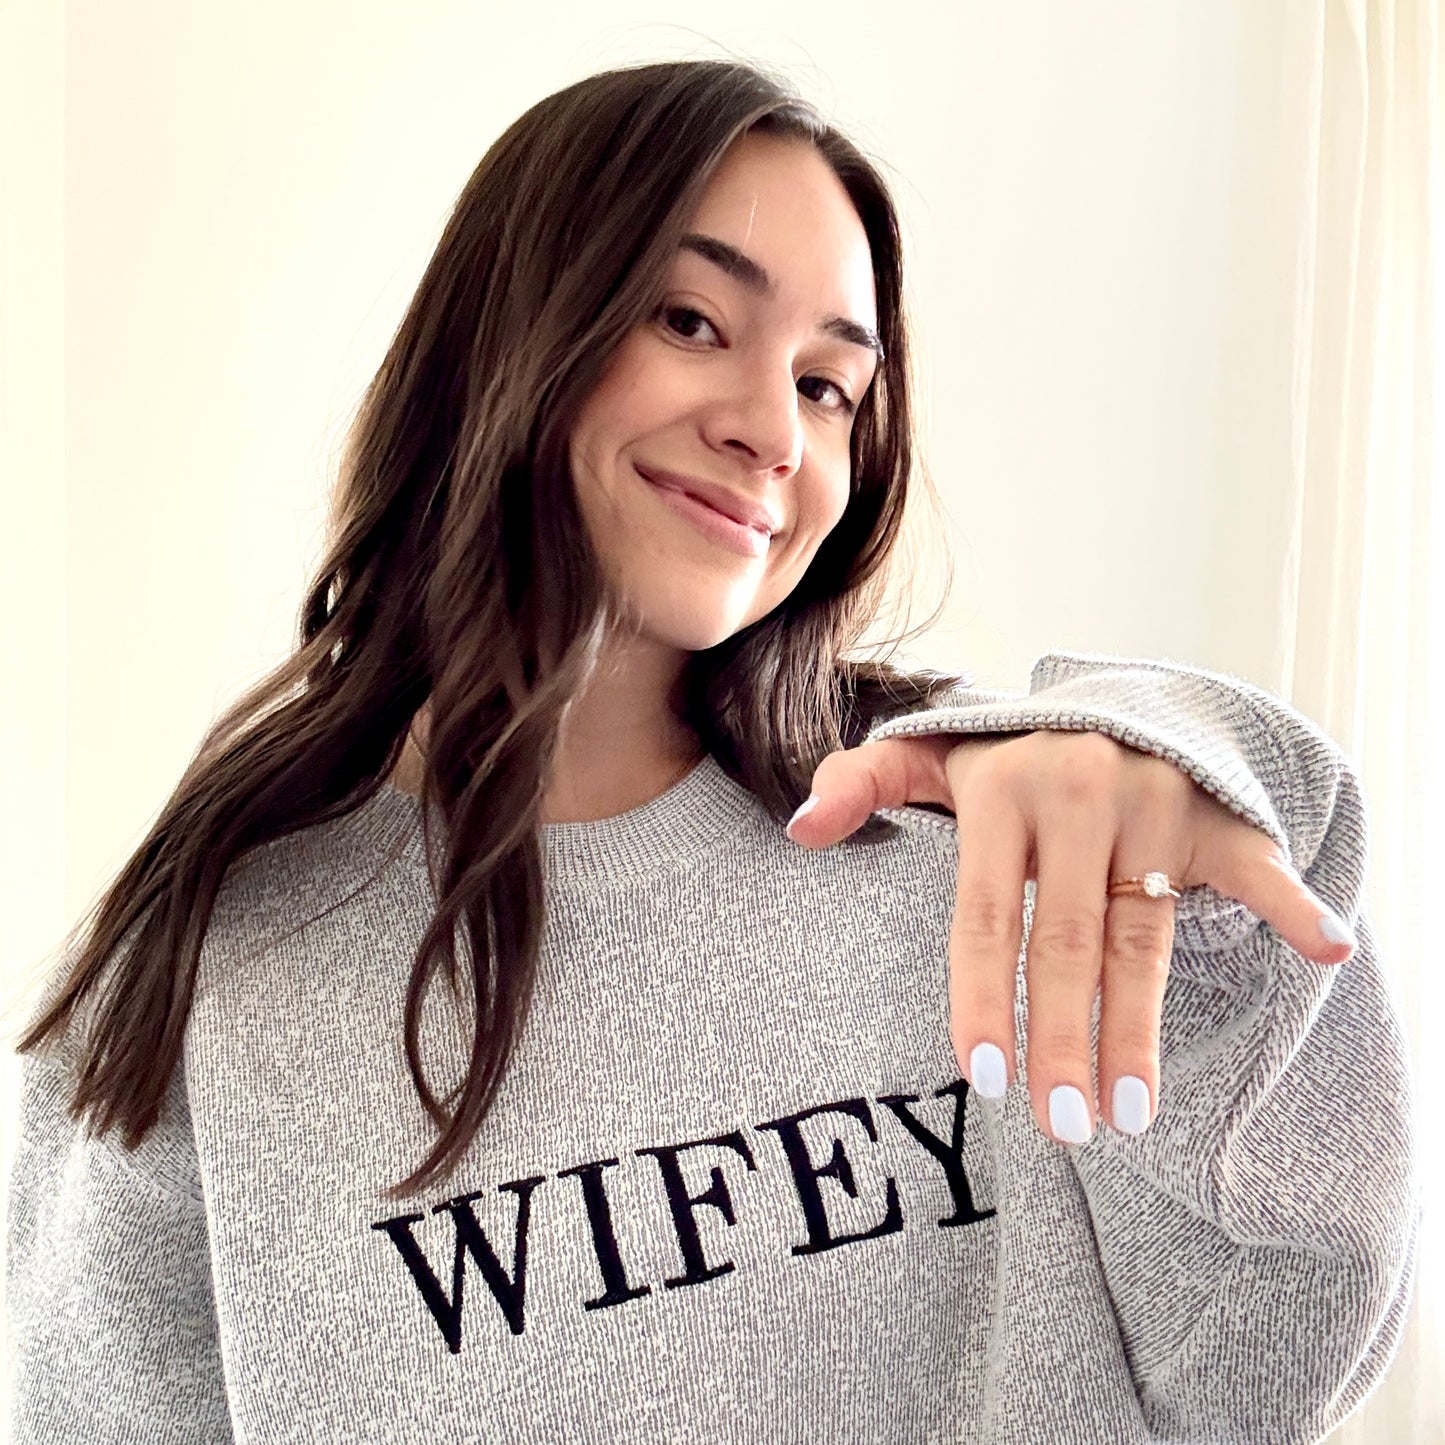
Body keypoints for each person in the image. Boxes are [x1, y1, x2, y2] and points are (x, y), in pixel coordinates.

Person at [6, 58, 1420, 1444]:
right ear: (510, 330)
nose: (768, 429)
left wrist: (1178, 764)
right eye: (689, 320)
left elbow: (1265, 1350)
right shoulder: (206, 961)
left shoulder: (971, 840)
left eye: (827, 387)